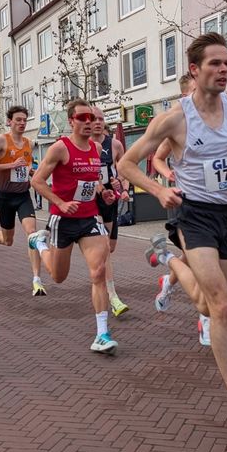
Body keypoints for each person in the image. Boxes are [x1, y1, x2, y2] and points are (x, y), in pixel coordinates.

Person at [118, 32, 227, 452]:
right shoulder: (174, 120)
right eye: (215, 64)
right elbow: (127, 164)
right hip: (194, 215)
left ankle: (169, 261)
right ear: (194, 69)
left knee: (207, 306)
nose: (224, 70)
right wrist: (158, 189)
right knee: (223, 307)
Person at [29, 100, 119, 353]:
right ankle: (39, 243)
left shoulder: (97, 148)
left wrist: (103, 193)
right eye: (83, 118)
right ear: (71, 121)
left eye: (92, 118)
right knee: (58, 277)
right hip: (63, 219)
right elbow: (37, 181)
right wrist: (60, 202)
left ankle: (102, 334)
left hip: (89, 218)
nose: (89, 122)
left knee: (98, 271)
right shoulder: (60, 148)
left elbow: (92, 179)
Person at [150, 72, 209, 337]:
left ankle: (167, 267)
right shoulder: (177, 126)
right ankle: (206, 319)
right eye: (196, 91)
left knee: (193, 259)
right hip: (185, 202)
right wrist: (168, 174)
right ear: (184, 96)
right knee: (202, 263)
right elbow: (157, 158)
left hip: (214, 205)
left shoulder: (217, 121)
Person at [0, 106, 46, 296]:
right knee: (8, 240)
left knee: (32, 233)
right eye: (18, 120)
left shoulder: (28, 143)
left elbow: (25, 167)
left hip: (23, 195)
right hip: (5, 196)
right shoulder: (2, 140)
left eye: (24, 120)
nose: (22, 123)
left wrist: (32, 172)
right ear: (10, 121)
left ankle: (37, 280)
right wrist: (11, 165)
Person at [90, 108, 130, 317]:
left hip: (110, 200)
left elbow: (124, 169)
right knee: (104, 246)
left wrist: (122, 187)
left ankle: (99, 272)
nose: (97, 122)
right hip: (92, 199)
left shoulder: (114, 144)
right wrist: (99, 187)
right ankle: (113, 297)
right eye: (93, 119)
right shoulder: (83, 145)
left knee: (110, 248)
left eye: (100, 119)